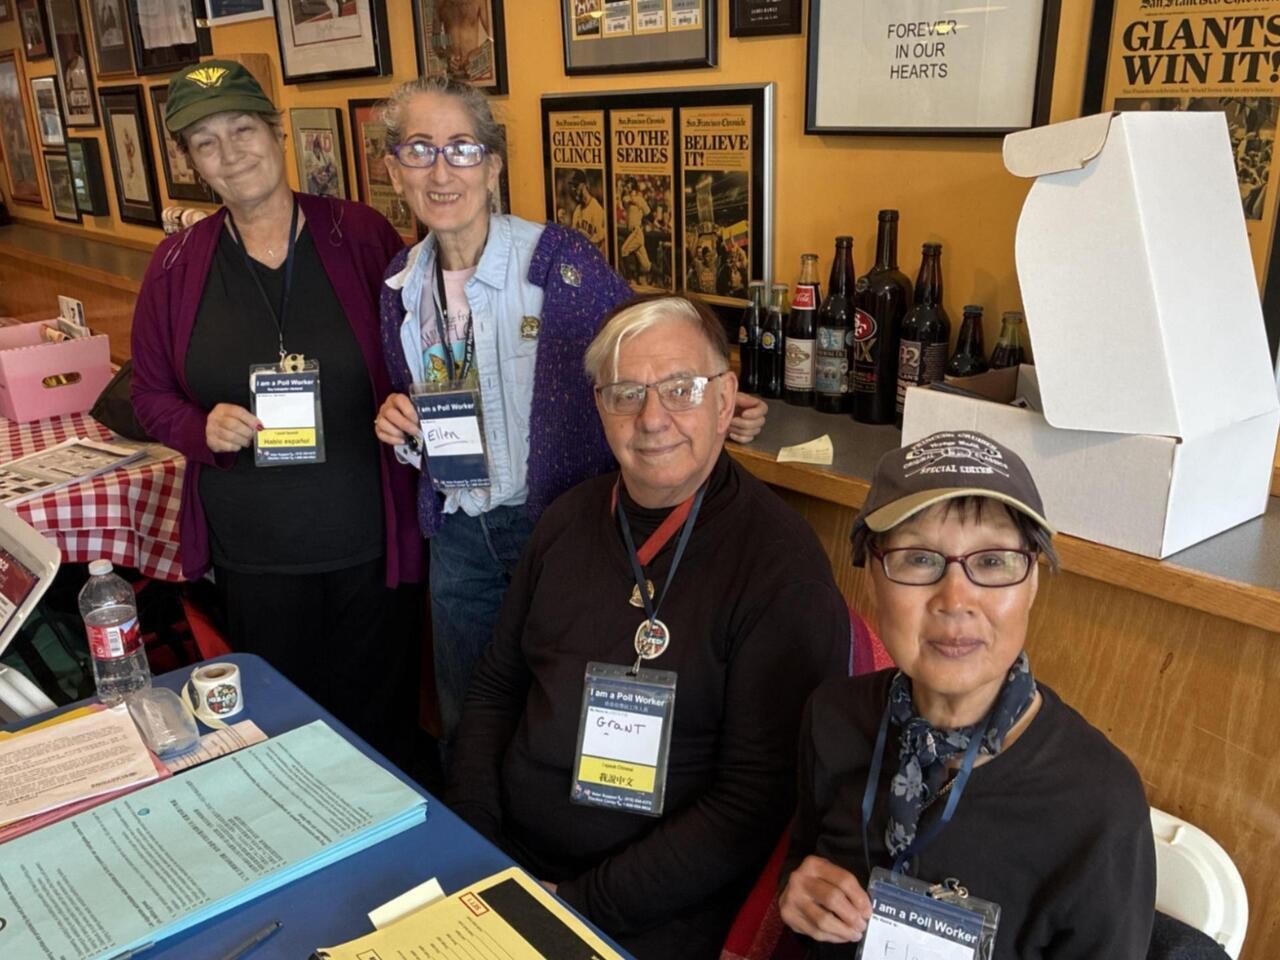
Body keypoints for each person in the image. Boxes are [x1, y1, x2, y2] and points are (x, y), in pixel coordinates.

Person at [372, 77, 768, 749]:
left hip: (560, 529)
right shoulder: (401, 287)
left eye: (462, 148)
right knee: (467, 716)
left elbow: (642, 346)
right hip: (462, 540)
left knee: (563, 716)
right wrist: (401, 427)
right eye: (419, 148)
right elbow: (430, 411)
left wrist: (704, 395)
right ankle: (479, 845)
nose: (442, 171)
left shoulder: (558, 264)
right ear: (394, 167)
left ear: (493, 165)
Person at [448, 295, 848, 959]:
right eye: (627, 391)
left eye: (681, 389)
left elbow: (752, 806)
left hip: (650, 915)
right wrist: (472, 843)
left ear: (726, 400)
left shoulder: (780, 569)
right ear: (599, 405)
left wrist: (573, 908)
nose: (652, 417)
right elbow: (495, 688)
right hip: (504, 867)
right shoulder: (567, 522)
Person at [130, 60, 422, 764]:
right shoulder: (174, 268)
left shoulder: (362, 236)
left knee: (379, 724)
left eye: (242, 129)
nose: (230, 153)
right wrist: (197, 429)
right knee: (282, 731)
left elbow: (418, 347)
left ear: (277, 131)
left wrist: (405, 405)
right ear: (189, 163)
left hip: (368, 540)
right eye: (205, 142)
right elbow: (149, 393)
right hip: (255, 553)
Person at [779, 431, 1156, 959]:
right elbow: (801, 866)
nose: (955, 600)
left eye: (994, 562)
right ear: (871, 579)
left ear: (1032, 585)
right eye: (918, 559)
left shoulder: (1098, 803)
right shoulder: (832, 718)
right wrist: (798, 895)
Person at [568, 168, 609, 259]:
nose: (573, 189)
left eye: (576, 185)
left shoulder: (596, 209)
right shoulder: (577, 210)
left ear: (585, 185)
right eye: (572, 186)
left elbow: (603, 242)